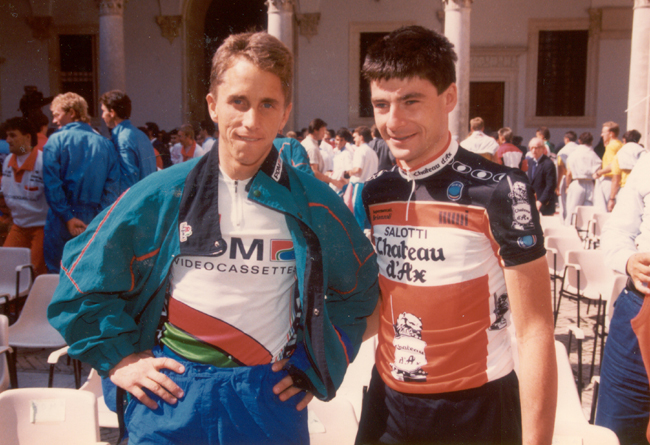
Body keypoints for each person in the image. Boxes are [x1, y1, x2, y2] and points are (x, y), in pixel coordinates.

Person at [48, 31, 378, 445]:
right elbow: (79, 285)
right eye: (238, 101)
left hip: (267, 400)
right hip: (170, 398)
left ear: (286, 112)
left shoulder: (315, 204)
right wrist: (122, 360)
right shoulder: (161, 193)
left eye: (267, 104)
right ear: (213, 106)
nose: (251, 121)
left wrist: (316, 363)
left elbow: (362, 295)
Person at [357, 25, 556, 445]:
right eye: (381, 104)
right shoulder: (376, 191)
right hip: (388, 402)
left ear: (449, 97)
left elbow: (536, 330)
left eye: (411, 101)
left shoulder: (501, 189)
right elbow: (380, 310)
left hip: (477, 410)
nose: (393, 121)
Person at [596, 152, 650, 445]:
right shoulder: (648, 162)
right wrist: (629, 259)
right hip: (640, 306)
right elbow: (616, 231)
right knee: (617, 432)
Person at [43, 92, 120, 273]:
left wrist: (68, 217)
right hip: (93, 218)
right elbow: (112, 189)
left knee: (57, 276)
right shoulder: (105, 144)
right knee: (88, 275)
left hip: (62, 219)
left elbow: (52, 185)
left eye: (56, 114)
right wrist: (99, 221)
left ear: (71, 112)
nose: (54, 121)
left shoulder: (55, 140)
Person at [1, 117, 49, 275]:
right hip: (19, 226)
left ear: (28, 137)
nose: (8, 140)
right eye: (7, 136)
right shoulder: (8, 160)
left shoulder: (43, 162)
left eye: (13, 135)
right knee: (6, 269)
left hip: (41, 227)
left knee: (34, 273)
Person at [100, 90, 157, 193]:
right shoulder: (141, 135)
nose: (102, 116)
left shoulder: (122, 138)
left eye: (104, 111)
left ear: (112, 113)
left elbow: (127, 182)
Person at [564, 132, 601, 225]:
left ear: (579, 141)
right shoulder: (594, 155)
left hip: (577, 183)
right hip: (590, 183)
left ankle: (569, 228)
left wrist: (567, 185)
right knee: (588, 211)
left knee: (572, 210)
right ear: (591, 141)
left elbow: (569, 173)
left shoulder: (573, 154)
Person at [346, 126, 378, 230]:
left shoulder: (360, 151)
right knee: (368, 218)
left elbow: (357, 169)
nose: (353, 139)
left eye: (355, 137)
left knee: (358, 215)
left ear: (361, 137)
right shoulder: (372, 152)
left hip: (360, 186)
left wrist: (348, 172)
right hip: (372, 186)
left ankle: (358, 244)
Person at [608, 130, 645, 212]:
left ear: (624, 140)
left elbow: (616, 178)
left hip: (626, 189)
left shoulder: (620, 153)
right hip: (642, 190)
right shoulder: (643, 152)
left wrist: (612, 198)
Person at [593, 121, 624, 213]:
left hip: (609, 181)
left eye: (603, 132)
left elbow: (613, 165)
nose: (601, 135)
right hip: (616, 181)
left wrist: (599, 172)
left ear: (611, 134)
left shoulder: (611, 147)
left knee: (604, 211)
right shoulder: (620, 144)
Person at [528, 136, 558, 216]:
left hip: (545, 204)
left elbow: (551, 185)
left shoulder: (548, 164)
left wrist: (541, 201)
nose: (534, 150)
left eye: (536, 148)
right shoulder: (530, 162)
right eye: (532, 148)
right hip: (532, 204)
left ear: (543, 149)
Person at [556, 131, 580, 221]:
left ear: (566, 139)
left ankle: (566, 222)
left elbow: (561, 169)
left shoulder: (562, 151)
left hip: (567, 179)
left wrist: (558, 186)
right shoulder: (580, 149)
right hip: (579, 179)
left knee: (565, 204)